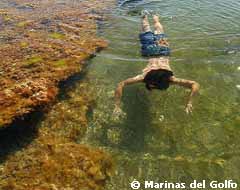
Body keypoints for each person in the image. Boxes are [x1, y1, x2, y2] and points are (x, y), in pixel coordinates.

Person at [114, 13, 200, 117]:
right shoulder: (155, 78)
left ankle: (154, 17)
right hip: (149, 51)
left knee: (159, 28)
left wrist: (117, 105)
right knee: (146, 28)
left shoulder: (162, 78)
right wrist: (116, 106)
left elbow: (195, 85)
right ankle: (145, 15)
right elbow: (120, 84)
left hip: (163, 50)